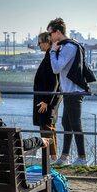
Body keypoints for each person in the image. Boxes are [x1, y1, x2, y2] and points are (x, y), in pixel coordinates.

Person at [47, 18, 94, 166]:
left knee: (75, 124)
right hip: (68, 91)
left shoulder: (68, 47)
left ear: (58, 32)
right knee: (66, 123)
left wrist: (52, 52)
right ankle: (64, 157)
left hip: (73, 92)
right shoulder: (69, 45)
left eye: (50, 34)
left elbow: (56, 68)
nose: (50, 37)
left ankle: (82, 158)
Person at [33, 32, 61, 162]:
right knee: (49, 128)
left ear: (46, 42)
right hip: (48, 100)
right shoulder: (50, 56)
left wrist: (45, 101)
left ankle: (52, 158)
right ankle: (53, 157)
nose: (38, 45)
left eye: (40, 42)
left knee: (47, 129)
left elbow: (53, 81)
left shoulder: (50, 57)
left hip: (46, 101)